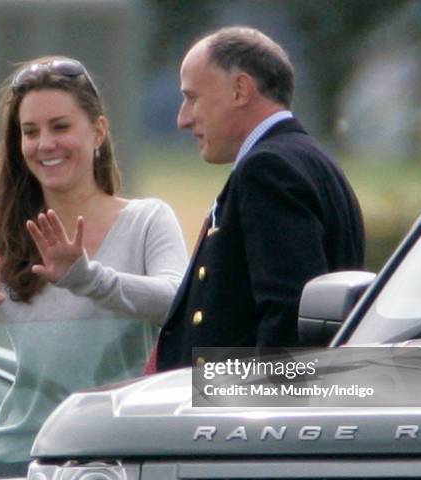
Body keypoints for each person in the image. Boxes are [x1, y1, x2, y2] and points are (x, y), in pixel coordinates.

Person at [0, 56, 187, 477]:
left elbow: (175, 300)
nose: (45, 144)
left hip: (123, 453)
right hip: (24, 458)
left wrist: (88, 279)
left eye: (60, 127)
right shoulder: (0, 230)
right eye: (30, 132)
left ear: (98, 132)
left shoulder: (147, 219)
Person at [155, 26, 364, 372]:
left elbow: (289, 317)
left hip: (247, 416)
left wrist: (262, 417)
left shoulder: (267, 169)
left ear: (240, 90)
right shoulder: (307, 159)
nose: (183, 118)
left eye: (193, 97)